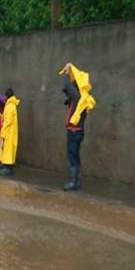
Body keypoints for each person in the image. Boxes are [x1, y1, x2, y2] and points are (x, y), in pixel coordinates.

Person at [60, 63, 96, 191]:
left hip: (74, 132)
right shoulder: (81, 99)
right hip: (77, 132)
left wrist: (67, 72)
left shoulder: (79, 98)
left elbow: (68, 86)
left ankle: (73, 182)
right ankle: (76, 181)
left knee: (72, 157)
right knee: (75, 156)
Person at [0, 88, 19, 176]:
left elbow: (8, 121)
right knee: (8, 149)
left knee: (8, 150)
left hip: (8, 132)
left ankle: (8, 168)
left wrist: (3, 131)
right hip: (10, 131)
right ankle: (7, 166)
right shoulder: (11, 105)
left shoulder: (10, 106)